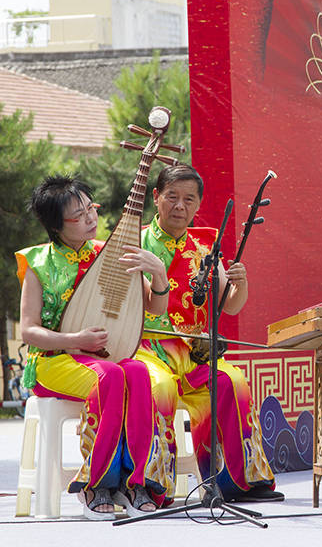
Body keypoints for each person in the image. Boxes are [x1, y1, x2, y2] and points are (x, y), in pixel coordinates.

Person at [16, 176, 173, 519]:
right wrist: (74, 341)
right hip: (53, 361)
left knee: (137, 371)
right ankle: (96, 483)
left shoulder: (110, 253)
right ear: (56, 225)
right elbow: (29, 331)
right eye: (79, 214)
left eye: (92, 208)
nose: (91, 218)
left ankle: (136, 482)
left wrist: (159, 274)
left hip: (103, 358)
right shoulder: (38, 263)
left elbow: (155, 307)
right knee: (112, 376)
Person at [135, 164, 282, 503]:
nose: (179, 206)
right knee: (159, 387)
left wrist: (240, 284)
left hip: (196, 349)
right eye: (171, 197)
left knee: (233, 381)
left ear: (198, 204)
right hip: (148, 346)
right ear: (156, 198)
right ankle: (154, 485)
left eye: (189, 199)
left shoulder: (205, 243)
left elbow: (228, 305)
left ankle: (240, 481)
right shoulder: (135, 240)